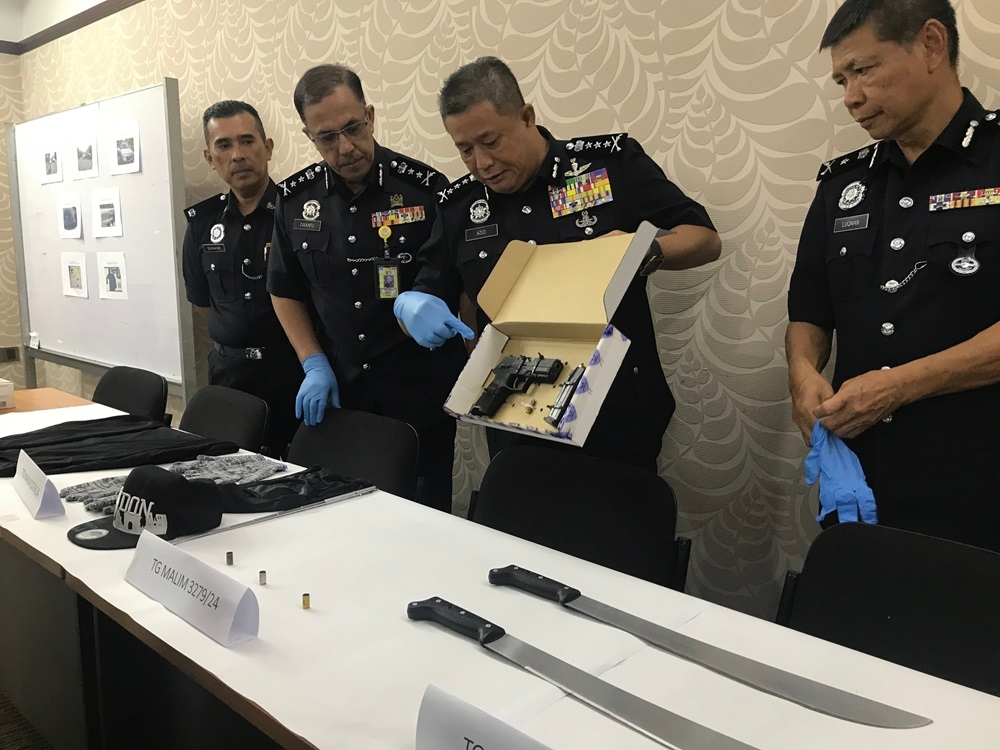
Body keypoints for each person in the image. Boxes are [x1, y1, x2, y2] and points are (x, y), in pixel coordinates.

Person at [393, 56, 721, 473]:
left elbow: (704, 238)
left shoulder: (606, 166)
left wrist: (644, 251)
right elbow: (427, 290)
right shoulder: (460, 206)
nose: (481, 163)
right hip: (516, 409)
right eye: (464, 149)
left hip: (616, 407)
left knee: (615, 530)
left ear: (527, 116)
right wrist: (411, 307)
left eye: (491, 141)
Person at [786, 0, 1000, 551]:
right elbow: (809, 311)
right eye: (840, 80)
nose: (850, 98)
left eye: (863, 70)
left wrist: (900, 385)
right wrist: (802, 373)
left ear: (931, 45)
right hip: (863, 479)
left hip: (980, 487)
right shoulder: (843, 184)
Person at [267, 65, 468, 512]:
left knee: (423, 514)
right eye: (327, 137)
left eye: (353, 128)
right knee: (340, 512)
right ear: (309, 136)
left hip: (419, 393)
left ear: (370, 115)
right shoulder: (295, 200)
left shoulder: (425, 189)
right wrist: (313, 362)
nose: (344, 147)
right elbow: (284, 289)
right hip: (343, 389)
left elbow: (454, 278)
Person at [182, 100, 302, 458]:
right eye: (224, 145)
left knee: (295, 479)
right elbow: (202, 302)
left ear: (267, 148)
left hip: (291, 375)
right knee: (228, 475)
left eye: (247, 141)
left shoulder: (300, 215)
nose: (237, 155)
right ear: (210, 158)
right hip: (229, 377)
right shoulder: (202, 224)